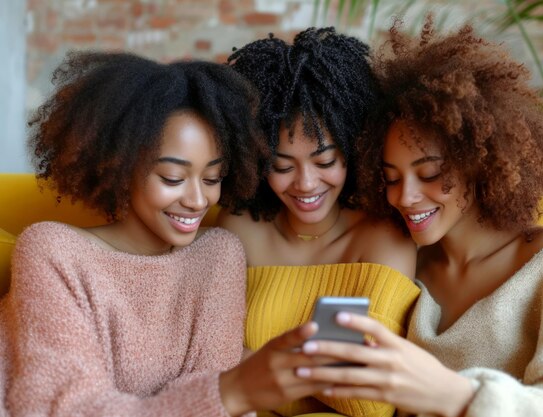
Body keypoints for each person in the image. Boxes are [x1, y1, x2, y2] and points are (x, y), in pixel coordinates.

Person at [293, 19, 543, 417]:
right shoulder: (403, 263)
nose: (406, 196)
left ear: (479, 161)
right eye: (391, 177)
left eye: (430, 174)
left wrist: (457, 396)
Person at [0, 51, 333, 416]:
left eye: (212, 178)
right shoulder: (52, 251)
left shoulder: (217, 255)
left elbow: (213, 390)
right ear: (120, 166)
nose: (196, 199)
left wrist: (230, 393)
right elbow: (63, 408)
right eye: (172, 178)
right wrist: (230, 392)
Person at [216, 27, 420, 416]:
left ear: (354, 149)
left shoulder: (384, 236)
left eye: (325, 162)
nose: (306, 184)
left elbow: (365, 401)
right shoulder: (239, 229)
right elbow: (206, 365)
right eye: (281, 166)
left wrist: (257, 372)